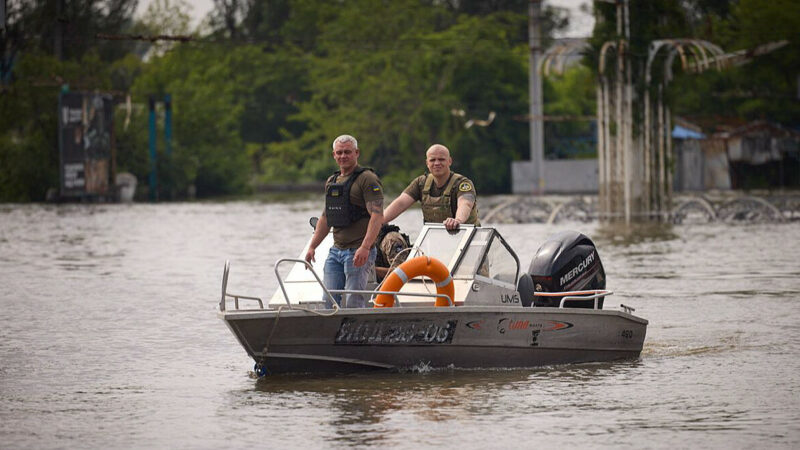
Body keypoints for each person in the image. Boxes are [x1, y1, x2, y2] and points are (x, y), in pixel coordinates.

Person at [304, 135, 384, 308]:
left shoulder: (367, 179)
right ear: (334, 155)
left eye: (347, 152)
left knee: (354, 301)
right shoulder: (332, 181)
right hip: (336, 252)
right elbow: (326, 217)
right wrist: (312, 246)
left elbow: (377, 216)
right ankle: (332, 332)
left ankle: (357, 333)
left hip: (358, 251)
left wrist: (365, 247)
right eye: (339, 153)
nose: (343, 156)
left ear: (357, 153)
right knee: (328, 301)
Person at [382, 144, 479, 230]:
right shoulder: (420, 183)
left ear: (449, 161)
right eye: (432, 160)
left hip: (468, 239)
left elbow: (465, 204)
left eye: (441, 159)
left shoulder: (463, 184)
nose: (437, 163)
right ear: (427, 163)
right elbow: (401, 203)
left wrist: (457, 220)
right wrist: (378, 220)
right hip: (435, 240)